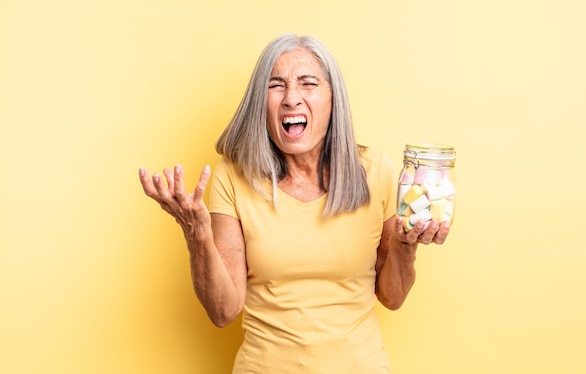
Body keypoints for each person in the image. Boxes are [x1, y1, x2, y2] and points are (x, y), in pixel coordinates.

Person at [138, 33, 450, 373]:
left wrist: (406, 246)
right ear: (261, 102)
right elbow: (223, 312)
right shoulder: (234, 176)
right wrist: (197, 234)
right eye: (276, 85)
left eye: (308, 83)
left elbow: (392, 297)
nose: (291, 98)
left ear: (334, 99)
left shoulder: (375, 171)